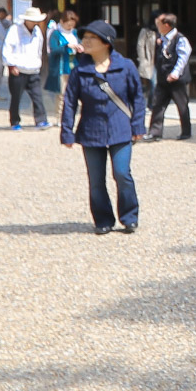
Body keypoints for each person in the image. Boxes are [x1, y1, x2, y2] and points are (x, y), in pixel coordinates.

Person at [59, 20, 147, 235]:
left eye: (91, 38)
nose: (85, 42)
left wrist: (138, 125)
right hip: (91, 130)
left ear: (106, 42)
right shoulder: (80, 71)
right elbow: (70, 102)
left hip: (121, 128)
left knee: (122, 173)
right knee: (96, 180)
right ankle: (103, 219)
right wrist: (67, 131)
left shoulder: (125, 66)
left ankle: (129, 216)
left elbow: (138, 97)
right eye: (85, 37)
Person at [0, 6, 50, 131]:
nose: (34, 22)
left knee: (37, 96)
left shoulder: (37, 31)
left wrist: (39, 63)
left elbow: (39, 49)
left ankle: (41, 120)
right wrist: (11, 65)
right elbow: (7, 48)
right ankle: (15, 121)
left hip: (33, 69)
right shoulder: (14, 30)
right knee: (16, 97)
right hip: (19, 69)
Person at [145, 12, 193, 141]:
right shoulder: (162, 38)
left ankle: (186, 131)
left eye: (159, 24)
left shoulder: (180, 39)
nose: (157, 26)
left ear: (166, 25)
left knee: (182, 105)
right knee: (157, 105)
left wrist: (175, 73)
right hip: (163, 78)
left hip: (176, 79)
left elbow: (183, 58)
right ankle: (155, 132)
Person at [45, 8, 81, 109]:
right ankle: (59, 116)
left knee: (74, 92)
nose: (70, 27)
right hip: (61, 66)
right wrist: (66, 46)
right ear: (62, 22)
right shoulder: (56, 34)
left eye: (72, 25)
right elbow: (54, 50)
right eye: (68, 25)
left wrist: (80, 46)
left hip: (73, 65)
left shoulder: (74, 33)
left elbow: (80, 42)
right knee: (61, 94)